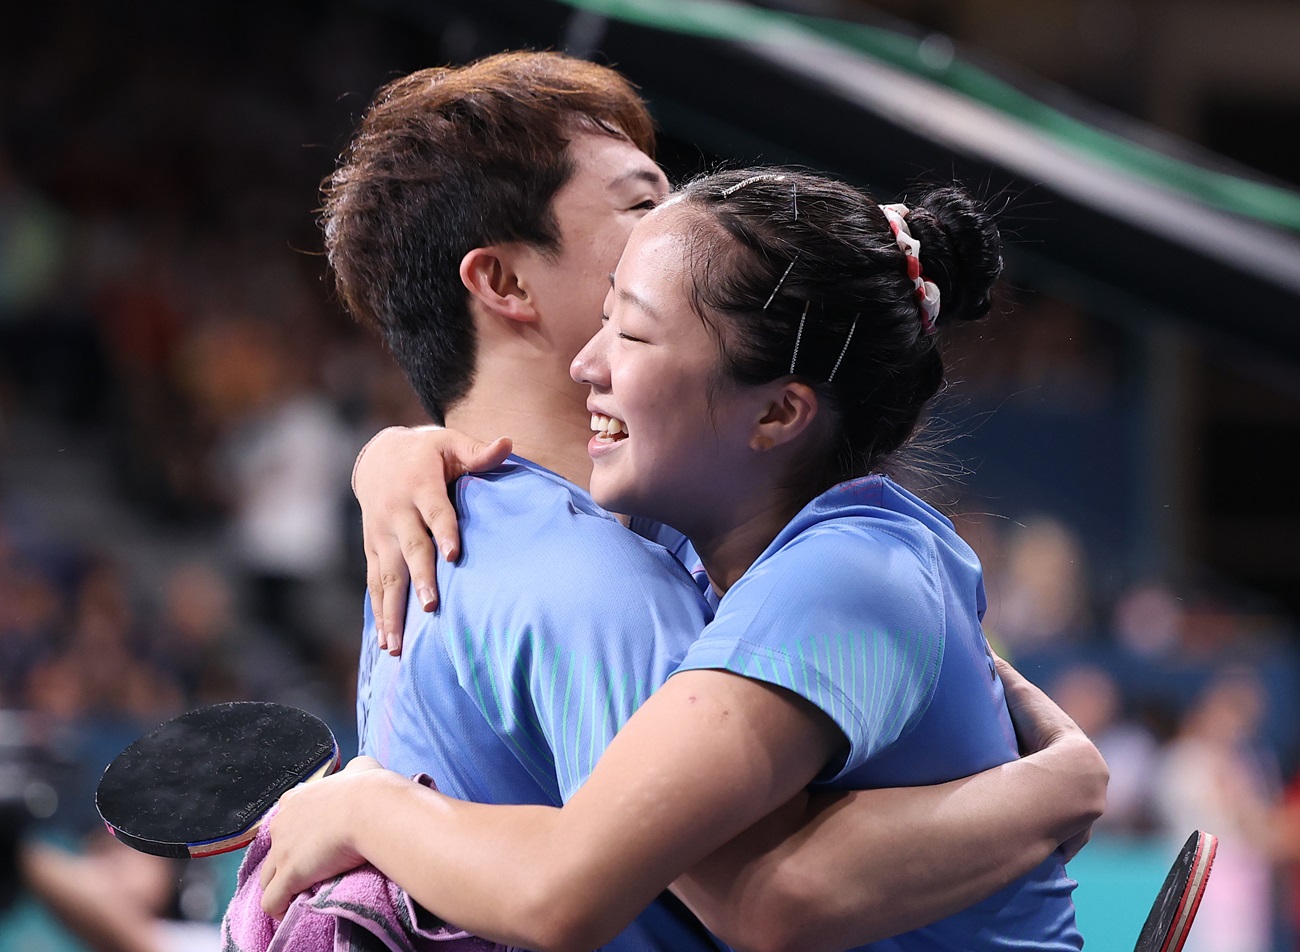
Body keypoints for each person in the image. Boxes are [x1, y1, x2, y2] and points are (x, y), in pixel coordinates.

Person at [238, 53, 1105, 951]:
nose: (682, 224)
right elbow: (758, 898)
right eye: (641, 201)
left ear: (780, 410)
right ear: (504, 284)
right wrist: (1062, 784)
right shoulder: (591, 585)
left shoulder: (489, 533)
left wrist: (1065, 780)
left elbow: (754, 893)